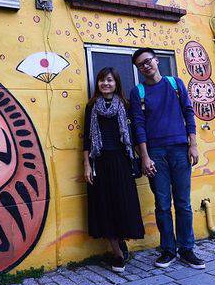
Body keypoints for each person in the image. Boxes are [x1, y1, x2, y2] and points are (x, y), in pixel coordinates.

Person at [129, 48, 204, 269]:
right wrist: (144, 157)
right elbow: (138, 126)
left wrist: (193, 145)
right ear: (138, 69)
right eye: (140, 64)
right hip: (155, 154)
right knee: (162, 205)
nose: (146, 66)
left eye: (148, 61)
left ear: (157, 61)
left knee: (183, 203)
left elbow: (188, 113)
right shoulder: (138, 92)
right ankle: (168, 250)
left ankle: (187, 249)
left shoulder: (176, 84)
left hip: (180, 150)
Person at [83, 67, 145, 273]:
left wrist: (144, 158)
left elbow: (135, 135)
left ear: (116, 83)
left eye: (109, 80)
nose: (105, 84)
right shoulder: (91, 107)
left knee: (122, 204)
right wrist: (86, 165)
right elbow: (86, 139)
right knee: (104, 206)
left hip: (122, 161)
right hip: (99, 161)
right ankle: (117, 253)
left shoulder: (125, 105)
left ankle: (121, 241)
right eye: (101, 80)